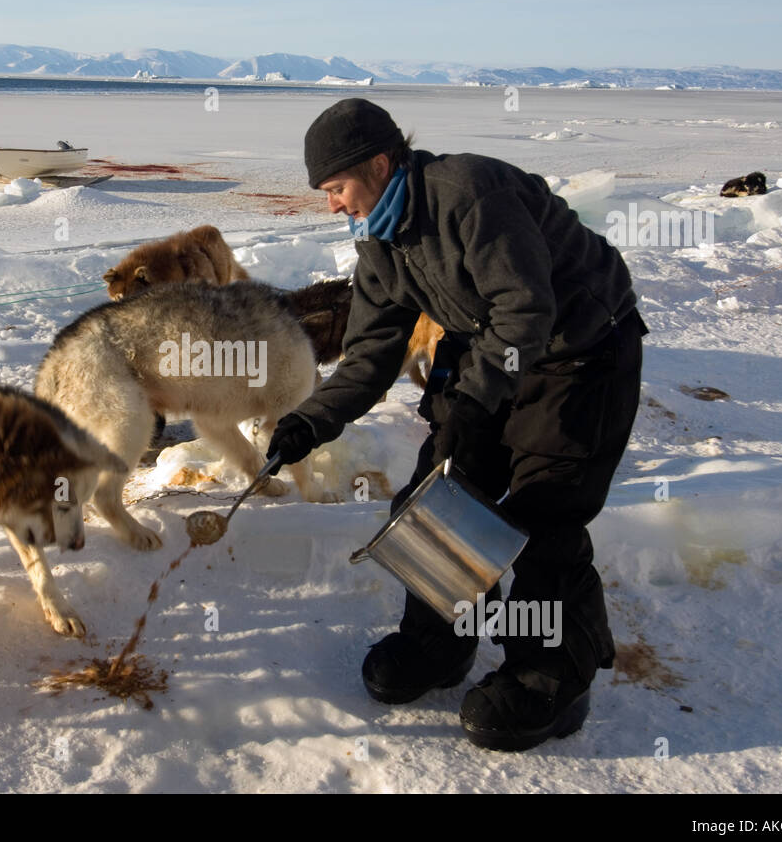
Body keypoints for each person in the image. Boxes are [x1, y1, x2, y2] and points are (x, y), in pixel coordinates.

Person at [267, 98, 647, 751]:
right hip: (491, 348)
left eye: (335, 187)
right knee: (435, 494)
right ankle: (437, 643)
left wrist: (474, 402)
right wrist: (309, 422)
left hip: (581, 349)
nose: (331, 203)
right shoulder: (381, 245)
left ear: (380, 164)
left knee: (543, 511)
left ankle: (552, 673)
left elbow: (527, 309)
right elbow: (368, 355)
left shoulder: (471, 194)